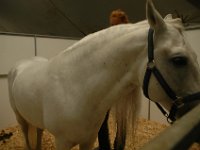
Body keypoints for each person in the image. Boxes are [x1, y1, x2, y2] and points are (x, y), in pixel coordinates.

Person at [98, 9, 130, 150]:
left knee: (122, 119)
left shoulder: (129, 40)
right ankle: (104, 146)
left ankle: (119, 147)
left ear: (124, 23)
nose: (112, 28)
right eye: (111, 25)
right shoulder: (110, 40)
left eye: (115, 25)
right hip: (109, 85)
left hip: (124, 86)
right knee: (101, 117)